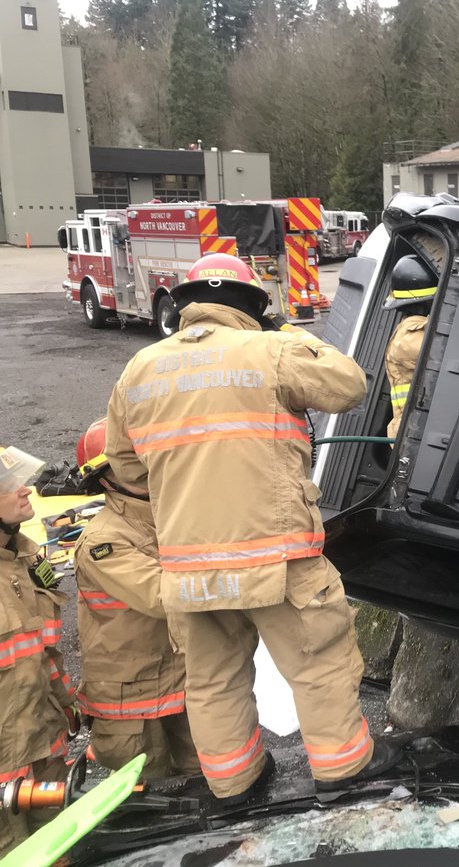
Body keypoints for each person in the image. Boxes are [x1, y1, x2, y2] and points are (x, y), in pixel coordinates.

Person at [104, 253, 403, 805]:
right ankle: (342, 772)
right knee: (318, 663)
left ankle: (235, 783)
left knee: (213, 679)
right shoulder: (273, 349)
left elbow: (125, 468)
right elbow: (349, 385)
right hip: (277, 558)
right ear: (255, 307)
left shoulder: (139, 369)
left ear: (186, 304)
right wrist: (286, 332)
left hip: (190, 570)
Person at [72, 418, 199, 779]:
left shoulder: (172, 520)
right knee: (146, 804)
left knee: (210, 786)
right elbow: (163, 596)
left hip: (183, 687)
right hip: (130, 705)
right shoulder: (102, 542)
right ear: (106, 478)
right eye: (134, 462)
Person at [0, 446, 76, 856]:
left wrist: (69, 706)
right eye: (8, 487)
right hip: (4, 766)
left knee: (59, 844)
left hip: (44, 745)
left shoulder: (25, 558)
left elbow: (44, 652)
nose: (26, 492)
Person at [383, 255, 436, 438]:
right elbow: (444, 353)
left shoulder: (411, 330)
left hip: (417, 429)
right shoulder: (409, 336)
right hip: (412, 433)